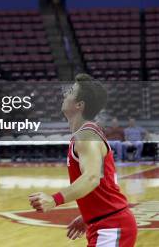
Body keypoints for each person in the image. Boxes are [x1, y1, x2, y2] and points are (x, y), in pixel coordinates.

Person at [28, 74, 137, 247]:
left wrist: (54, 199)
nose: (65, 94)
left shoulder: (86, 136)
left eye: (71, 91)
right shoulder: (85, 134)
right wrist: (88, 215)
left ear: (79, 105)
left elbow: (92, 178)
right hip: (104, 224)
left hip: (111, 227)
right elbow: (104, 182)